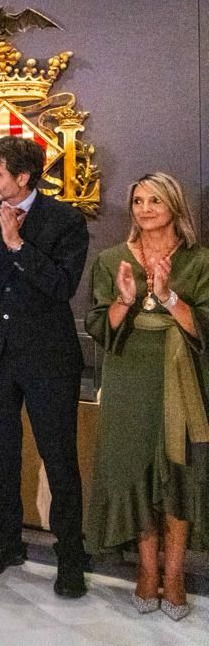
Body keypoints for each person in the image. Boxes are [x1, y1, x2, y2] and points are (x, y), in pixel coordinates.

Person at [0, 135, 90, 598]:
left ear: (23, 177)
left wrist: (14, 244)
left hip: (48, 359)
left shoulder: (66, 220)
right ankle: (7, 542)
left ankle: (71, 557)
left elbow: (61, 286)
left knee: (59, 458)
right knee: (0, 452)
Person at [84, 172, 209, 620]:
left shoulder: (200, 261)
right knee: (134, 469)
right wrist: (124, 300)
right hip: (128, 375)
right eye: (138, 200)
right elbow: (98, 324)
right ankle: (146, 568)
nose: (145, 208)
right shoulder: (112, 258)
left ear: (175, 206)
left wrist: (168, 296)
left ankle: (174, 574)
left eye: (155, 200)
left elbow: (205, 326)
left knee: (178, 471)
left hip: (184, 378)